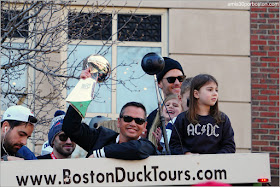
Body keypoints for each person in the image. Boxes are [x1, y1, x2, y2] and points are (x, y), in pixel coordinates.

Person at [62, 101, 157, 160]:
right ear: (119, 122)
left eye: (139, 121)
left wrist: (100, 154)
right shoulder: (101, 138)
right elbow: (70, 127)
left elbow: (136, 149)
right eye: (128, 119)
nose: (133, 124)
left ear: (145, 126)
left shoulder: (147, 146)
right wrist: (84, 87)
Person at [169, 74, 236, 154]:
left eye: (216, 90)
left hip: (216, 165)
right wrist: (186, 153)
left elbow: (229, 146)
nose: (215, 93)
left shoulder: (222, 119)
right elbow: (174, 145)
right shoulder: (182, 118)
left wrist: (216, 158)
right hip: (190, 164)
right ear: (196, 94)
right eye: (210, 90)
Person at [146, 57, 185, 135]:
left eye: (180, 78)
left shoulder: (193, 112)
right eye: (171, 79)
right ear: (159, 83)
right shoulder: (153, 118)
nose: (177, 83)